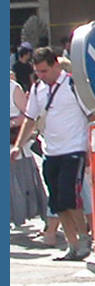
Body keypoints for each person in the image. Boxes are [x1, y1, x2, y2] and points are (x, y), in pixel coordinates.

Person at [11, 47, 93, 261]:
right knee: (57, 202)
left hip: (74, 149)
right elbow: (30, 118)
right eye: (37, 72)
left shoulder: (74, 85)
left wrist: (90, 148)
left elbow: (92, 116)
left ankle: (84, 238)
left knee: (70, 197)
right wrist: (18, 145)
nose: (41, 75)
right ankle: (72, 244)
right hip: (51, 151)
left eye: (45, 71)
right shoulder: (38, 88)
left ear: (56, 65)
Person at [10, 71, 48, 228]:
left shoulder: (12, 88)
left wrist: (10, 123)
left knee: (20, 184)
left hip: (11, 143)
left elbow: (28, 115)